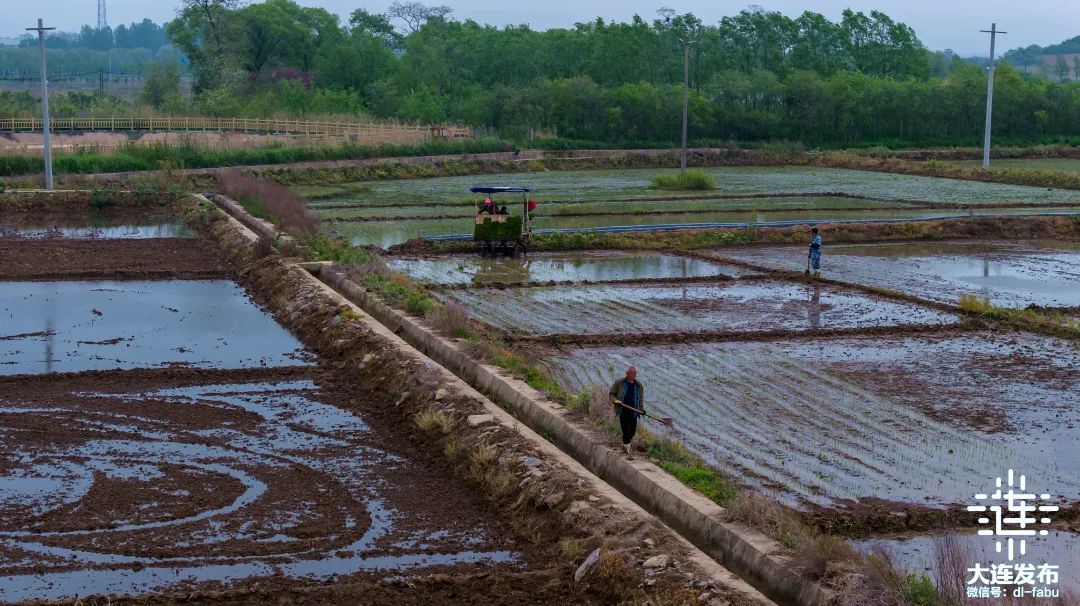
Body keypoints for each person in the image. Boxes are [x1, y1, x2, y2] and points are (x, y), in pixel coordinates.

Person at [609, 366, 644, 456]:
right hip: (623, 411)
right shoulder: (619, 383)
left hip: (634, 412)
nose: (634, 375)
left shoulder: (639, 385)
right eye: (632, 373)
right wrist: (616, 401)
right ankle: (627, 450)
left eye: (635, 373)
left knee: (632, 432)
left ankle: (625, 446)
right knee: (626, 431)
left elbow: (640, 399)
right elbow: (611, 394)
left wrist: (642, 410)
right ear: (627, 373)